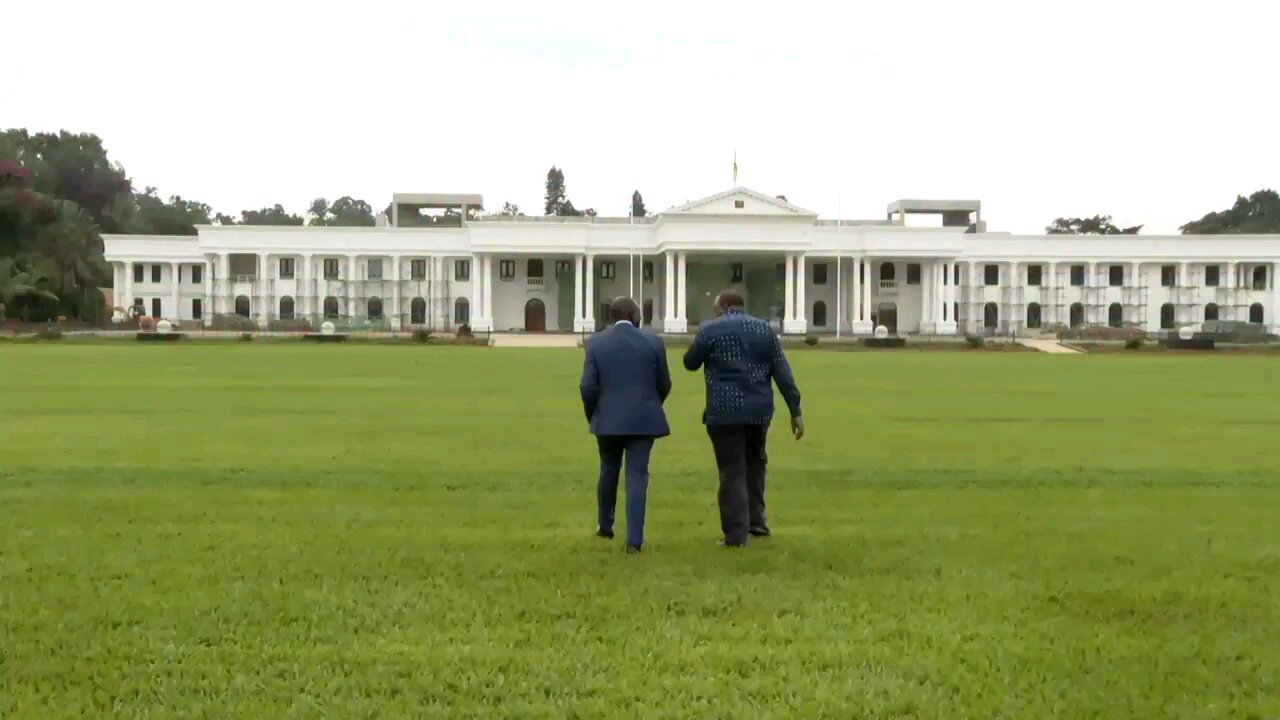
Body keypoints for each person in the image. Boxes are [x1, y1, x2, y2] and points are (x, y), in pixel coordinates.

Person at [683, 289, 803, 547]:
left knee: (731, 472)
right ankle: (757, 523)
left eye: (716, 308)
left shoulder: (710, 329)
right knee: (756, 464)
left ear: (724, 306)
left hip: (724, 411)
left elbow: (690, 362)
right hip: (759, 411)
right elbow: (782, 371)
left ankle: (736, 534)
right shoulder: (765, 330)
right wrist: (795, 410)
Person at [580, 297, 672, 554]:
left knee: (608, 470)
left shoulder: (596, 342)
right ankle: (634, 540)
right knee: (637, 477)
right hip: (644, 418)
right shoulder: (654, 342)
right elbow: (664, 383)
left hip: (607, 418)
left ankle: (605, 525)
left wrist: (594, 414)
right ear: (633, 314)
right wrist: (651, 403)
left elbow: (588, 385)